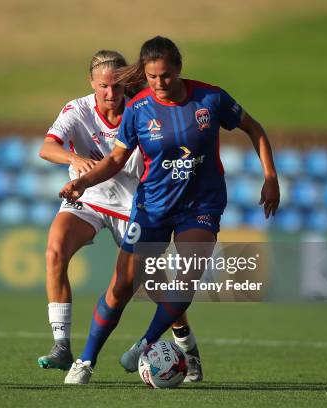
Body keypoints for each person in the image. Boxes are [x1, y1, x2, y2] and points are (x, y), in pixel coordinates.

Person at [60, 36, 279, 384]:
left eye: (165, 76)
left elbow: (254, 128)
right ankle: (85, 361)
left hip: (201, 205)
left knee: (186, 278)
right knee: (122, 285)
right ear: (144, 75)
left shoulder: (211, 98)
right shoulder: (138, 109)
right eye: (151, 77)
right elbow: (117, 159)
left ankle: (144, 344)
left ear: (178, 69)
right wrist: (83, 183)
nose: (159, 84)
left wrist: (270, 177)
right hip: (152, 207)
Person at [38, 49, 204, 381]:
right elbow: (47, 147)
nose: (110, 94)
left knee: (156, 286)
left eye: (116, 86)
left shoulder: (144, 109)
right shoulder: (77, 110)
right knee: (55, 249)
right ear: (91, 83)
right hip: (88, 195)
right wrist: (73, 160)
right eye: (103, 86)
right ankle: (61, 345)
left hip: (135, 207)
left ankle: (187, 348)